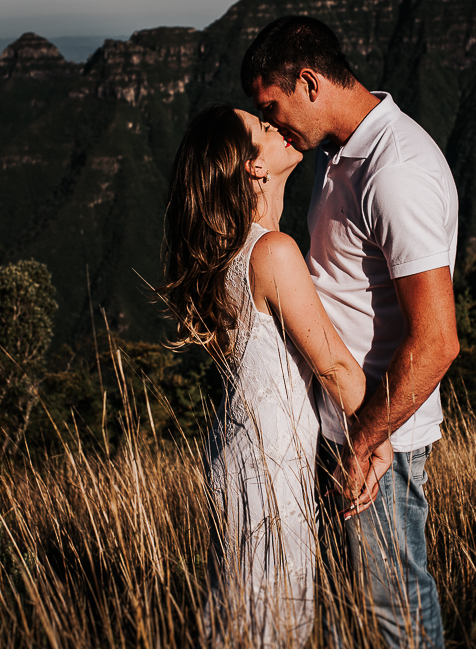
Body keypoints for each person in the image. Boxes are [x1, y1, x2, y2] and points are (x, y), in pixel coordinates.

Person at [241, 16, 460, 649]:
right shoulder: (340, 151)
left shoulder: (396, 169)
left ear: (308, 82)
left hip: (378, 435)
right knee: (348, 611)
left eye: (272, 108)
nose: (274, 124)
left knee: (394, 609)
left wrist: (366, 441)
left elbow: (438, 339)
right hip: (341, 426)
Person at [159, 103, 371, 648]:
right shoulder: (272, 251)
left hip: (243, 453)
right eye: (263, 128)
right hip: (266, 462)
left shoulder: (235, 250)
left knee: (249, 616)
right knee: (270, 620)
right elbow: (335, 366)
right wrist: (379, 438)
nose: (278, 128)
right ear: (252, 167)